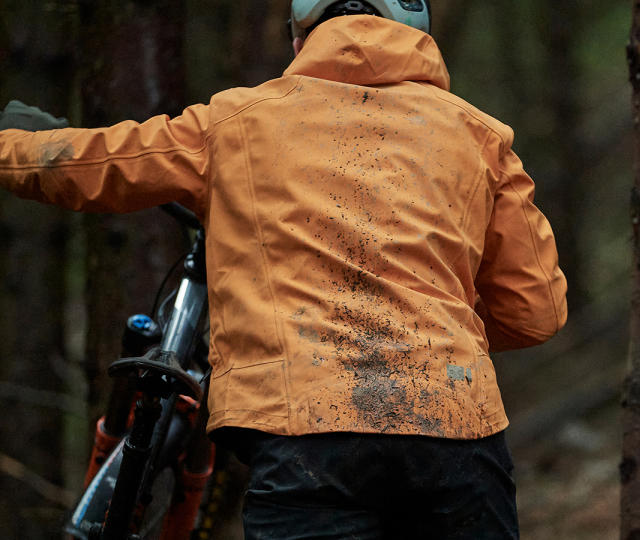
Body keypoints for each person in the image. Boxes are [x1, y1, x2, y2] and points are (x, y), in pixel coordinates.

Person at [0, 0, 567, 537]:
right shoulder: (481, 137)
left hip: (305, 430)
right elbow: (535, 312)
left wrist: (11, 143)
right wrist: (439, 340)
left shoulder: (236, 122)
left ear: (300, 38)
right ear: (421, 37)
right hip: (454, 424)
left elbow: (94, 164)